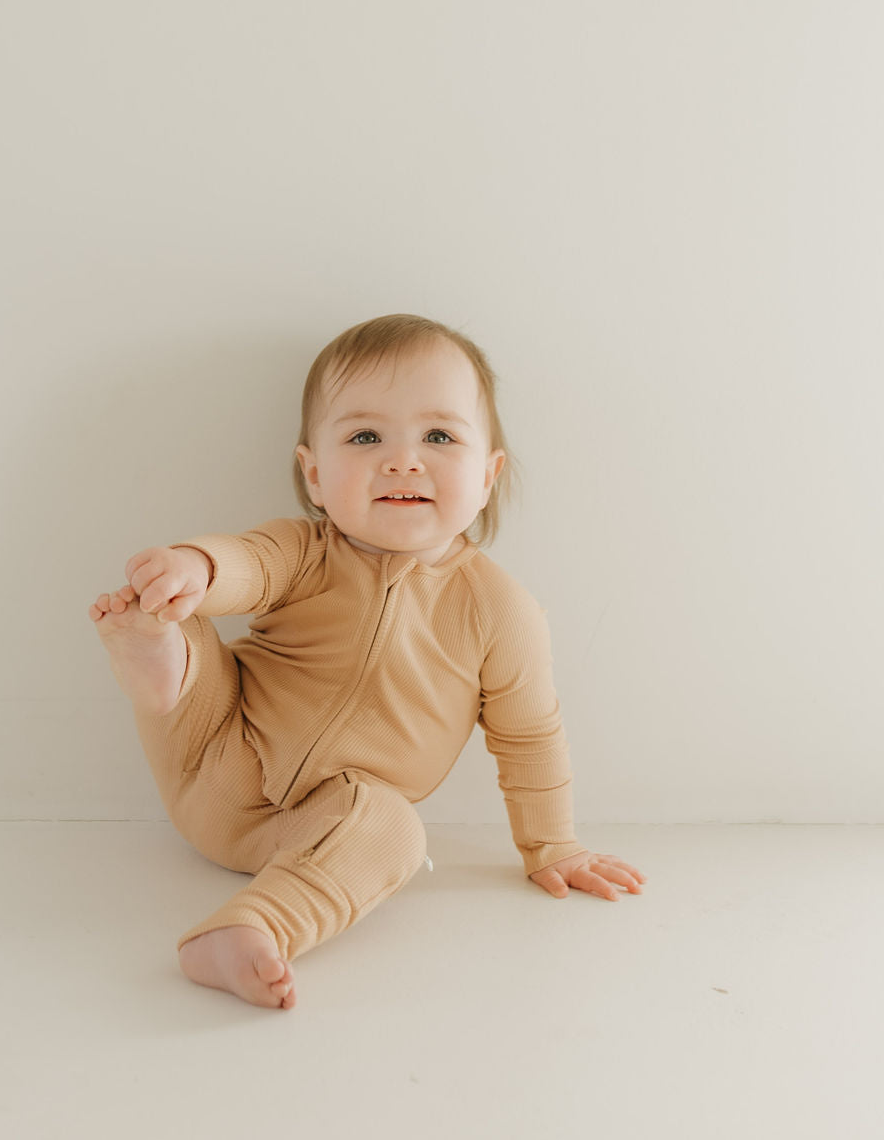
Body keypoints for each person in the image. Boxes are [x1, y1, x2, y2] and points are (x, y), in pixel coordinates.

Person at [88, 313, 647, 1011]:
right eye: (365, 437)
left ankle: (254, 927)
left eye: (438, 436)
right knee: (192, 627)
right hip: (211, 751)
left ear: (487, 476)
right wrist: (196, 568)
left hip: (323, 819)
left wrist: (553, 846)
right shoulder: (307, 552)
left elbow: (529, 734)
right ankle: (156, 646)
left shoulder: (498, 611)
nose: (403, 460)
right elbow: (249, 563)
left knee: (396, 833)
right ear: (315, 475)